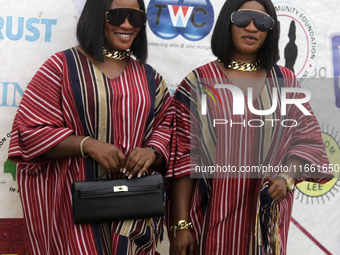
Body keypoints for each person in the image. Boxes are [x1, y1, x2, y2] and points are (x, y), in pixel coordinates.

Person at [166, 0, 333, 254]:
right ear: (227, 22)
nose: (253, 28)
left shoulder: (285, 82)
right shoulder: (197, 83)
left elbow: (307, 141)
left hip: (266, 225)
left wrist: (287, 178)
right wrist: (180, 225)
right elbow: (183, 159)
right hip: (210, 220)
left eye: (263, 22)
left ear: (270, 31)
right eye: (244, 19)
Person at [8, 0, 173, 254]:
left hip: (133, 210)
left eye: (136, 17)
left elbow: (169, 128)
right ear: (97, 16)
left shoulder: (150, 78)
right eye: (116, 15)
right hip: (74, 206)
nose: (127, 24)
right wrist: (87, 145)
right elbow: (30, 131)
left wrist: (152, 151)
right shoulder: (61, 67)